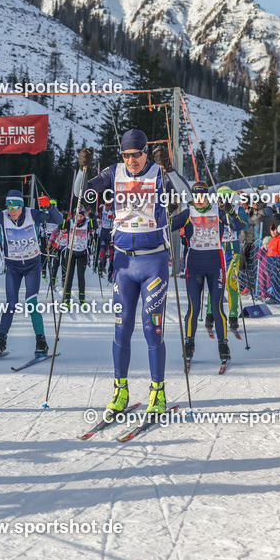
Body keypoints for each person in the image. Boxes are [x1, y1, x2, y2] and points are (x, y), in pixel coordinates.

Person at [82, 132, 178, 418]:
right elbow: (82, 194)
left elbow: (187, 197)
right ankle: (120, 390)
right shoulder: (114, 172)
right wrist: (82, 170)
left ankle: (157, 391)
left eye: (136, 154)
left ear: (146, 153)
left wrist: (170, 169)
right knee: (121, 328)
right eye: (126, 155)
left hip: (154, 262)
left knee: (152, 329)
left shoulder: (158, 173)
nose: (131, 160)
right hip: (124, 263)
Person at [0, 190, 63, 358]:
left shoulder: (32, 214)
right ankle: (1, 341)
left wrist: (49, 207)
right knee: (11, 304)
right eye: (9, 207)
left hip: (32, 265)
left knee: (31, 303)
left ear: (22, 206)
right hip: (13, 266)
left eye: (15, 207)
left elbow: (59, 220)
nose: (12, 211)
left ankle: (41, 341)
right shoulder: (2, 217)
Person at [171, 182, 242, 365]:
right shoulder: (188, 213)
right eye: (196, 196)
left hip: (215, 265)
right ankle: (189, 343)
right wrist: (168, 212)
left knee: (217, 308)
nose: (199, 199)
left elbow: (238, 226)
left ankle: (223, 345)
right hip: (194, 265)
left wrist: (231, 212)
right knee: (194, 308)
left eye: (203, 196)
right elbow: (166, 226)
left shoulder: (219, 211)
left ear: (207, 196)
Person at [204, 186, 247, 335]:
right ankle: (210, 313)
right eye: (220, 198)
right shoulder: (213, 209)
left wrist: (232, 213)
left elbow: (243, 226)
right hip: (217, 250)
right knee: (215, 282)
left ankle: (233, 315)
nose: (222, 201)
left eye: (225, 198)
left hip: (232, 250)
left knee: (231, 282)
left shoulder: (237, 209)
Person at [59, 206, 94, 307]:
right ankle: (67, 297)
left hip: (82, 253)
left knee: (80, 276)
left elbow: (94, 227)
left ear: (84, 216)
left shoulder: (87, 223)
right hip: (71, 253)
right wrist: (64, 218)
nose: (79, 218)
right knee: (69, 276)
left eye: (81, 216)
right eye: (77, 216)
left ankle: (82, 298)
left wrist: (92, 218)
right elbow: (61, 227)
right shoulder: (70, 222)